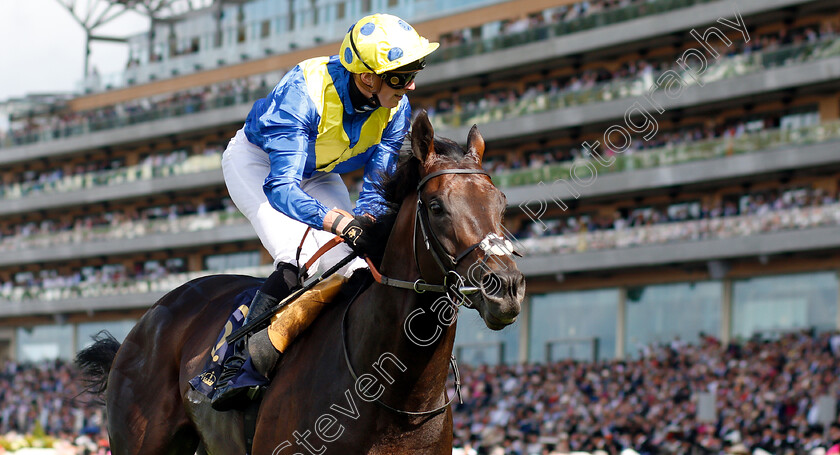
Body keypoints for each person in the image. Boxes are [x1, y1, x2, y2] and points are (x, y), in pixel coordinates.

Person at [211, 13, 439, 411]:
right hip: (260, 165)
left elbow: (376, 185)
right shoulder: (304, 92)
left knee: (355, 264)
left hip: (318, 171)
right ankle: (234, 365)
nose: (412, 84)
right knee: (296, 258)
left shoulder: (395, 107)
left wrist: (363, 222)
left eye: (414, 72)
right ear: (368, 78)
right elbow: (281, 189)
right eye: (401, 76)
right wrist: (337, 222)